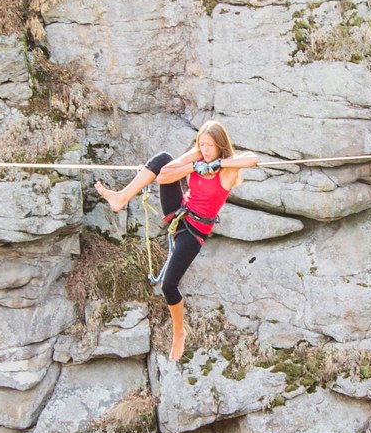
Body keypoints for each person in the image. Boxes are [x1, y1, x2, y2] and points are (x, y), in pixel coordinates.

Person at [96, 121, 260, 361]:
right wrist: (194, 162)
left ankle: (178, 333)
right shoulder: (199, 159)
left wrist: (216, 162)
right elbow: (165, 176)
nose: (204, 149)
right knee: (163, 158)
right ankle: (121, 197)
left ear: (220, 145)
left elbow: (251, 159)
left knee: (168, 286)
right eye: (201, 144)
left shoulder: (227, 171)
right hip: (179, 212)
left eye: (209, 145)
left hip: (194, 232)